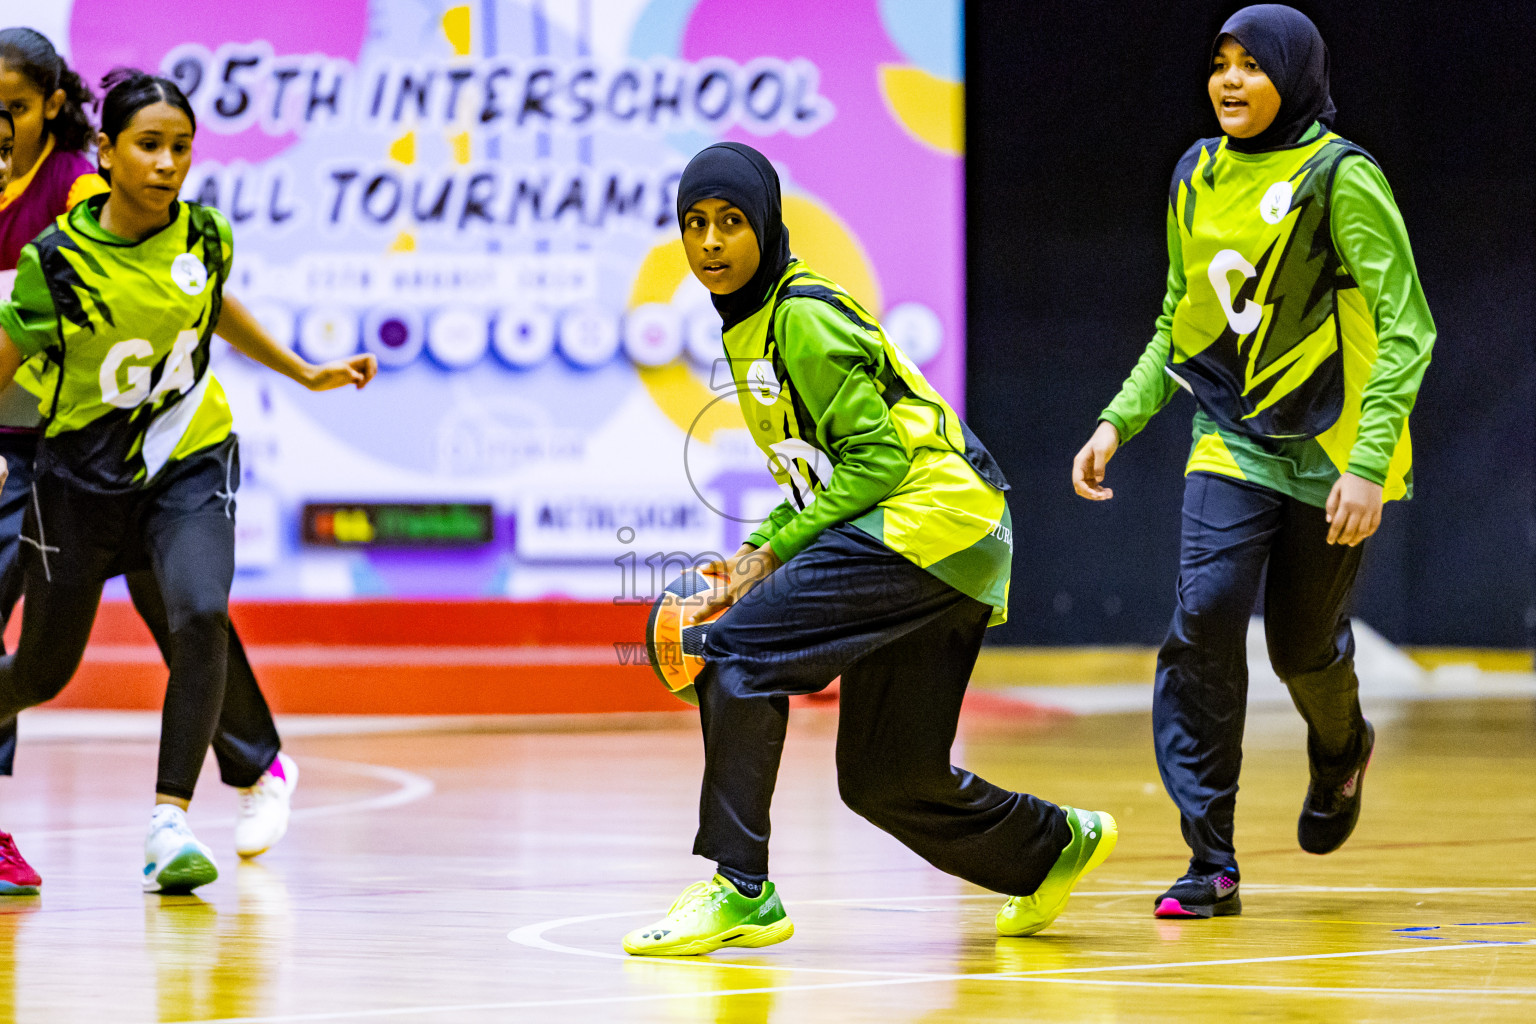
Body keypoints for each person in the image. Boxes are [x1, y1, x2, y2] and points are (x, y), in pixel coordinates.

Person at [623, 141, 1117, 957]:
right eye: (695, 224)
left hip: (927, 518)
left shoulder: (801, 317)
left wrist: (760, 564)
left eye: (732, 222)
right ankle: (1049, 846)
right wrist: (752, 553)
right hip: (956, 539)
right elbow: (820, 476)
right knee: (887, 778)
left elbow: (879, 461)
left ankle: (739, 888)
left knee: (729, 652)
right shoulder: (751, 326)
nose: (711, 242)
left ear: (769, 226)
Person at [1071, 5, 1434, 919]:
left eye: (1251, 66)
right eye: (1219, 63)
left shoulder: (1340, 177)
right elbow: (1179, 325)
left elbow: (1408, 331)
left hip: (1333, 455)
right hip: (1228, 437)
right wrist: (1119, 420)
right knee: (1205, 616)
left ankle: (1342, 747)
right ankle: (1211, 858)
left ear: (1295, 76)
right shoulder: (1195, 174)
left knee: (1302, 650)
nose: (1229, 81)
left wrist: (1368, 460)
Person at [0, 69, 376, 894]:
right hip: (79, 479)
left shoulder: (205, 234)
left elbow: (211, 304)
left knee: (200, 612)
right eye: (148, 146)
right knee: (38, 675)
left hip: (187, 457)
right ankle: (243, 774)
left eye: (180, 148)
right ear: (105, 152)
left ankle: (169, 824)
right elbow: (5, 367)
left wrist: (305, 371)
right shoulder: (54, 264)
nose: (167, 163)